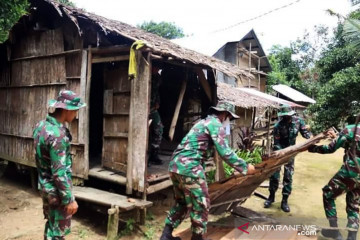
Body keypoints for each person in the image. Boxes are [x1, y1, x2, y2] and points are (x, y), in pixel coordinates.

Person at [160, 101, 256, 240]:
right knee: (202, 203)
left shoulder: (202, 123)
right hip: (190, 167)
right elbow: (225, 152)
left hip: (175, 166)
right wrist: (245, 167)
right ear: (224, 114)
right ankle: (197, 238)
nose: (227, 121)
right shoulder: (215, 124)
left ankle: (166, 236)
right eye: (228, 118)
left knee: (182, 202)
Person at [33, 90, 86, 240]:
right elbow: (60, 172)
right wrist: (69, 199)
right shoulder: (58, 136)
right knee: (57, 234)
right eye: (75, 110)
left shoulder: (41, 126)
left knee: (51, 227)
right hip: (57, 193)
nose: (76, 114)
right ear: (66, 109)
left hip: (44, 186)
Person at [308, 114, 360, 240]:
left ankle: (334, 231)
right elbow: (352, 145)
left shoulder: (351, 129)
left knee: (328, 193)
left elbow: (330, 148)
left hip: (350, 172)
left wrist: (312, 148)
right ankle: (352, 237)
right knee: (353, 204)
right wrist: (337, 137)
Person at [264, 104, 312, 212]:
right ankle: (271, 197)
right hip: (279, 153)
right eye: (284, 116)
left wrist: (312, 138)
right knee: (274, 176)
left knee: (288, 176)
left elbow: (305, 133)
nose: (286, 118)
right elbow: (276, 143)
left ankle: (284, 201)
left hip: (291, 154)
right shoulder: (278, 126)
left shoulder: (299, 122)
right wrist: (282, 153)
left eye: (287, 115)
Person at [148, 65, 164, 165]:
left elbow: (156, 91)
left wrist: (157, 102)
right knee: (143, 133)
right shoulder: (145, 73)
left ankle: (153, 155)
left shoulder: (157, 78)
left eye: (158, 68)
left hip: (153, 109)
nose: (157, 70)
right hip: (142, 108)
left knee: (159, 129)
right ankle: (143, 158)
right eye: (156, 67)